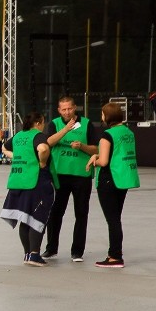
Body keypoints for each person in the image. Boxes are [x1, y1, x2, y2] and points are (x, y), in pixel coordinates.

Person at [41, 96, 99, 262]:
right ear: (59, 110)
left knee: (81, 213)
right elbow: (48, 143)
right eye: (63, 109)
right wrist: (66, 129)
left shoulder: (87, 124)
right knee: (55, 212)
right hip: (59, 175)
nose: (67, 112)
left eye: (70, 108)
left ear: (75, 108)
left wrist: (82, 146)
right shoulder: (54, 124)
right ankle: (51, 248)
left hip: (81, 175)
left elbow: (95, 149)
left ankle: (77, 251)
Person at [0, 112, 58, 267]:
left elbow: (4, 148)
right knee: (37, 218)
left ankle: (27, 253)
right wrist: (42, 162)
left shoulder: (19, 136)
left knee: (24, 219)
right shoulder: (38, 135)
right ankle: (34, 254)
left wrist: (17, 156)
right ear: (39, 122)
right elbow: (44, 149)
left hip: (18, 182)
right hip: (36, 183)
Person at [86, 103, 140, 268]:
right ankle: (115, 253)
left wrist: (93, 160)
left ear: (107, 116)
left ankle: (115, 256)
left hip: (109, 180)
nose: (101, 117)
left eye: (103, 114)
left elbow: (104, 161)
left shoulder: (107, 135)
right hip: (122, 179)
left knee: (113, 220)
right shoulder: (128, 132)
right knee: (116, 218)